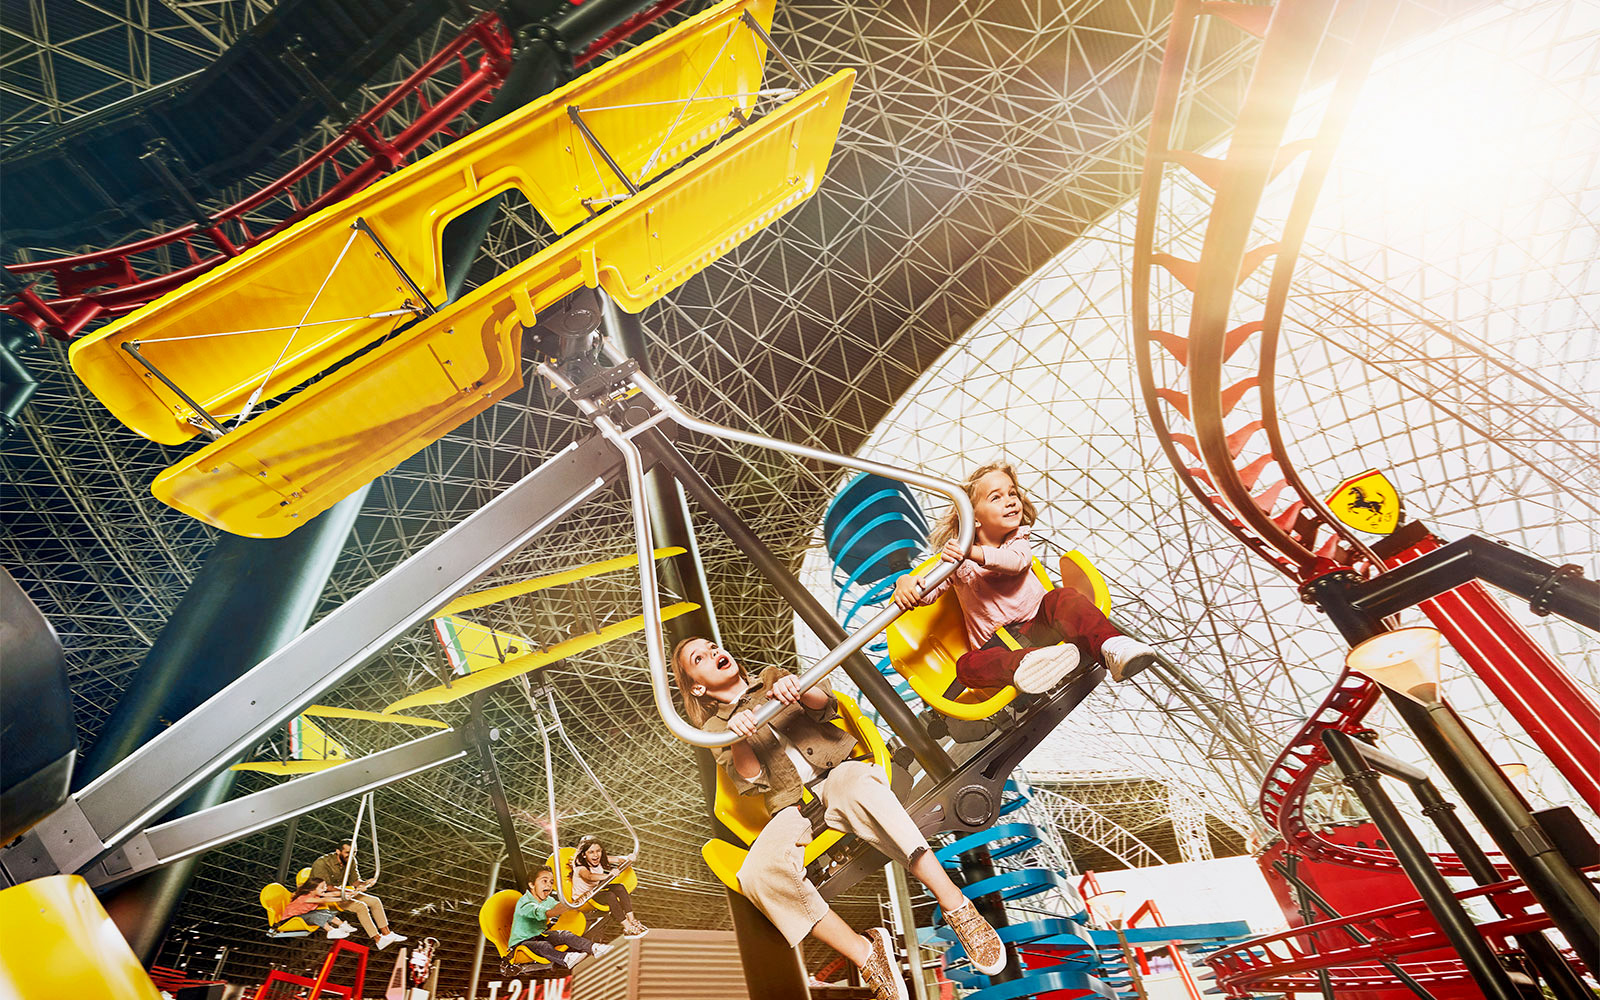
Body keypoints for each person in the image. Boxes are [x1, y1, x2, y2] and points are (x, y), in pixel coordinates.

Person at [672, 637, 1007, 1000]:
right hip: (789, 806)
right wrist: (738, 737)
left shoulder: (770, 678)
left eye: (712, 646)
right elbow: (752, 780)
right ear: (698, 686)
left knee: (862, 790)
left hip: (837, 773)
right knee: (757, 875)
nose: (714, 652)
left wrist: (799, 689)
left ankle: (955, 903)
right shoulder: (712, 731)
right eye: (700, 657)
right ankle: (866, 953)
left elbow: (827, 705)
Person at [891, 462, 1158, 693]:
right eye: (995, 497)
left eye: (1012, 493)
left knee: (1061, 598)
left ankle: (1112, 647)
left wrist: (971, 552)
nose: (1010, 500)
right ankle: (1033, 664)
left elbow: (1015, 563)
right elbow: (925, 591)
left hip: (1040, 626)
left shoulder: (1018, 540)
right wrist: (907, 583)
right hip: (1000, 650)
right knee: (967, 665)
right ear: (974, 518)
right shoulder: (953, 562)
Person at [308, 840, 407, 950]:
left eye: (354, 852)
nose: (351, 856)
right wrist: (346, 891)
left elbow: (355, 881)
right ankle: (378, 939)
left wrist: (364, 884)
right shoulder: (322, 863)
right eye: (348, 853)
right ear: (338, 851)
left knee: (375, 901)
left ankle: (386, 933)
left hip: (342, 892)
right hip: (325, 896)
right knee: (361, 906)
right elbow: (327, 887)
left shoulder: (351, 861)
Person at [510, 868, 612, 970]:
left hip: (541, 935)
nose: (549, 885)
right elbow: (550, 912)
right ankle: (566, 958)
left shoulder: (547, 900)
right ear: (532, 885)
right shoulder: (525, 904)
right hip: (521, 944)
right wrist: (570, 905)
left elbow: (560, 907)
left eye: (551, 882)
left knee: (565, 935)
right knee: (543, 945)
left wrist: (579, 899)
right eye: (544, 881)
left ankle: (594, 948)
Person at [570, 837, 648, 937]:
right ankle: (627, 927)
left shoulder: (600, 860)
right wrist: (608, 876)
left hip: (595, 891)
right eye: (591, 852)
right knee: (609, 896)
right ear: (584, 855)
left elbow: (618, 858)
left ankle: (632, 919)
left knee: (619, 887)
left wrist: (629, 857)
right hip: (585, 898)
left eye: (598, 851)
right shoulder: (580, 867)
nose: (596, 855)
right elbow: (589, 877)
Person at [277, 878, 355, 939]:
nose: (324, 889)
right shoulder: (304, 898)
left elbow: (333, 893)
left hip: (303, 915)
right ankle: (331, 931)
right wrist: (342, 899)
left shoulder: (315, 895)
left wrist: (347, 893)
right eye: (322, 887)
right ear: (312, 889)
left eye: (325, 886)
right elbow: (324, 900)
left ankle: (342, 925)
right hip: (291, 919)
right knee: (317, 915)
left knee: (325, 911)